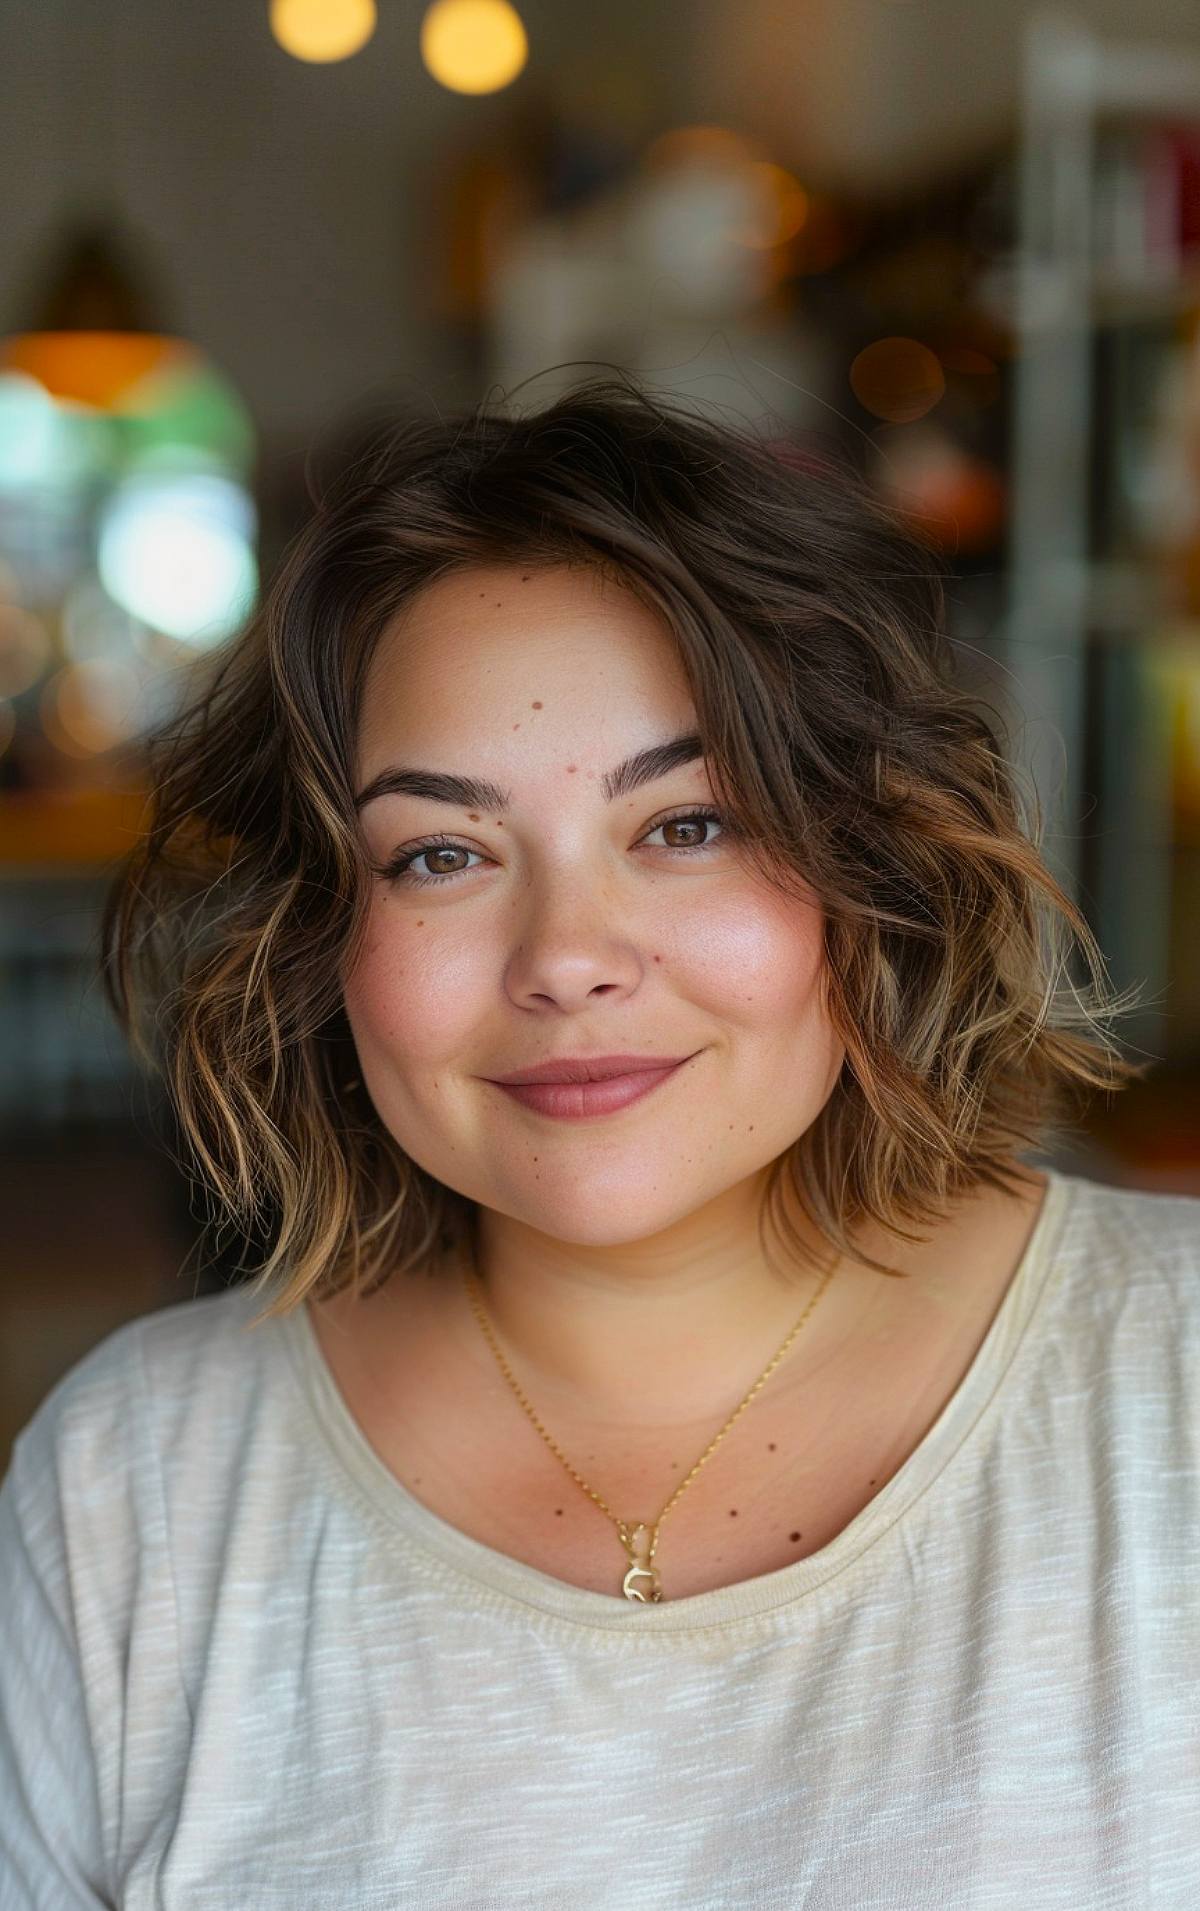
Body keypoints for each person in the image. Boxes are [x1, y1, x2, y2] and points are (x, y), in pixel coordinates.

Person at [1, 373, 1196, 1906]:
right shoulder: (135, 1499)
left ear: (867, 859)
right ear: (320, 941)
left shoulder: (1175, 1389)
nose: (567, 954)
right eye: (442, 854)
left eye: (685, 825)